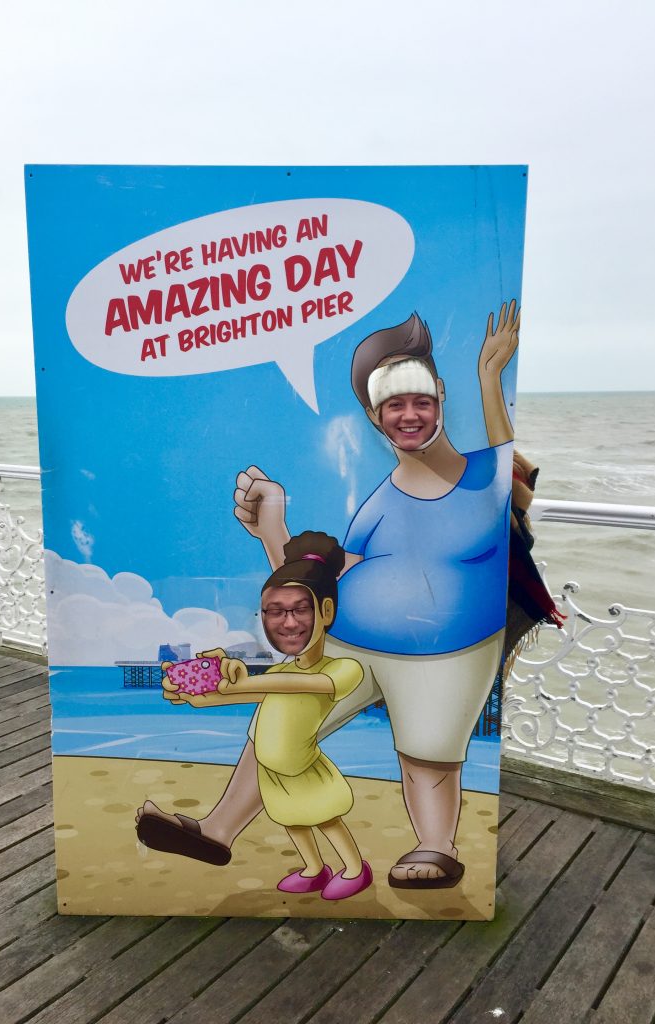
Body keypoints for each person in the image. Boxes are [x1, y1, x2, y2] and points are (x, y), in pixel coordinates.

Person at [137, 301, 519, 890]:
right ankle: (216, 830)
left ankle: (436, 846)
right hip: (355, 644)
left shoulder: (486, 475)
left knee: (428, 750)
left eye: (422, 400)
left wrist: (490, 379)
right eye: (394, 404)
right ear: (372, 416)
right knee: (281, 721)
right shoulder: (381, 499)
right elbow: (321, 582)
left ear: (441, 396)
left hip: (450, 647)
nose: (410, 415)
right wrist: (272, 526)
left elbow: (516, 483)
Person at [137, 532, 372, 901]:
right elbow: (223, 698)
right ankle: (314, 869)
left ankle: (355, 868)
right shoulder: (280, 674)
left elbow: (312, 685)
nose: (288, 623)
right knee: (292, 820)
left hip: (305, 768)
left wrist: (240, 683)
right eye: (274, 611)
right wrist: (193, 690)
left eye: (300, 609)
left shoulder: (343, 669)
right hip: (272, 769)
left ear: (326, 612)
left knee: (325, 818)